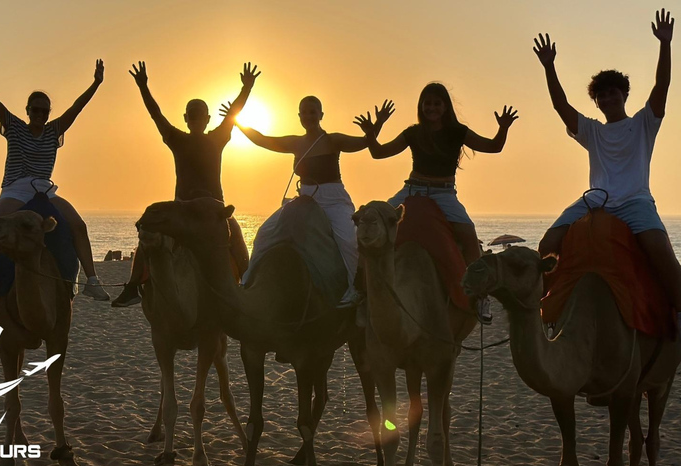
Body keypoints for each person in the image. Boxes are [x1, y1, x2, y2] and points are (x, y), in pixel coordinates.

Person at [534, 9, 681, 332]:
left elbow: (663, 84)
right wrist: (549, 67)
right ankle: (543, 310)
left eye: (613, 92)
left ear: (624, 95)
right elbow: (561, 107)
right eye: (601, 95)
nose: (607, 97)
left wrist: (665, 45)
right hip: (594, 202)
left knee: (663, 255)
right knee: (548, 244)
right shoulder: (593, 132)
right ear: (597, 103)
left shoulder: (643, 123)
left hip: (635, 203)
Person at [0, 49, 110, 301]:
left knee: (78, 225)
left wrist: (95, 83)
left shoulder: (54, 130)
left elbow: (77, 107)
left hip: (45, 190)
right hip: (15, 189)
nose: (40, 115)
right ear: (27, 110)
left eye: (44, 111)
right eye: (35, 110)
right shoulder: (14, 126)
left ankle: (91, 280)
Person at [355, 83, 517, 324]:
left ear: (445, 107)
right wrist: (373, 131)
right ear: (421, 106)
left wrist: (503, 128)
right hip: (412, 190)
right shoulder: (413, 132)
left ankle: (479, 296)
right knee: (372, 224)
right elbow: (378, 153)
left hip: (444, 195)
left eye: (436, 103)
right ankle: (360, 291)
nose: (431, 108)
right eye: (427, 103)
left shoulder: (457, 132)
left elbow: (494, 147)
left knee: (470, 236)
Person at [111, 62, 259, 307]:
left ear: (207, 118)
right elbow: (155, 114)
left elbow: (233, 113)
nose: (196, 120)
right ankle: (133, 286)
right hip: (182, 209)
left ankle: (247, 287)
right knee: (148, 232)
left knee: (237, 240)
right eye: (192, 116)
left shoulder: (217, 137)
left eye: (200, 116)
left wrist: (247, 88)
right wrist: (143, 87)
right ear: (186, 118)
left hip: (213, 210)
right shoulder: (176, 138)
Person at [233, 96, 393, 304]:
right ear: (299, 116)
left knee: (348, 241)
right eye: (304, 112)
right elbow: (262, 139)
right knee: (265, 232)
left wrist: (377, 125)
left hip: (333, 200)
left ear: (321, 115)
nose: (308, 116)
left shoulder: (332, 140)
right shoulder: (295, 142)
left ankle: (355, 288)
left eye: (313, 112)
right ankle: (247, 282)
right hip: (304, 198)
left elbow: (363, 143)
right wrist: (235, 121)